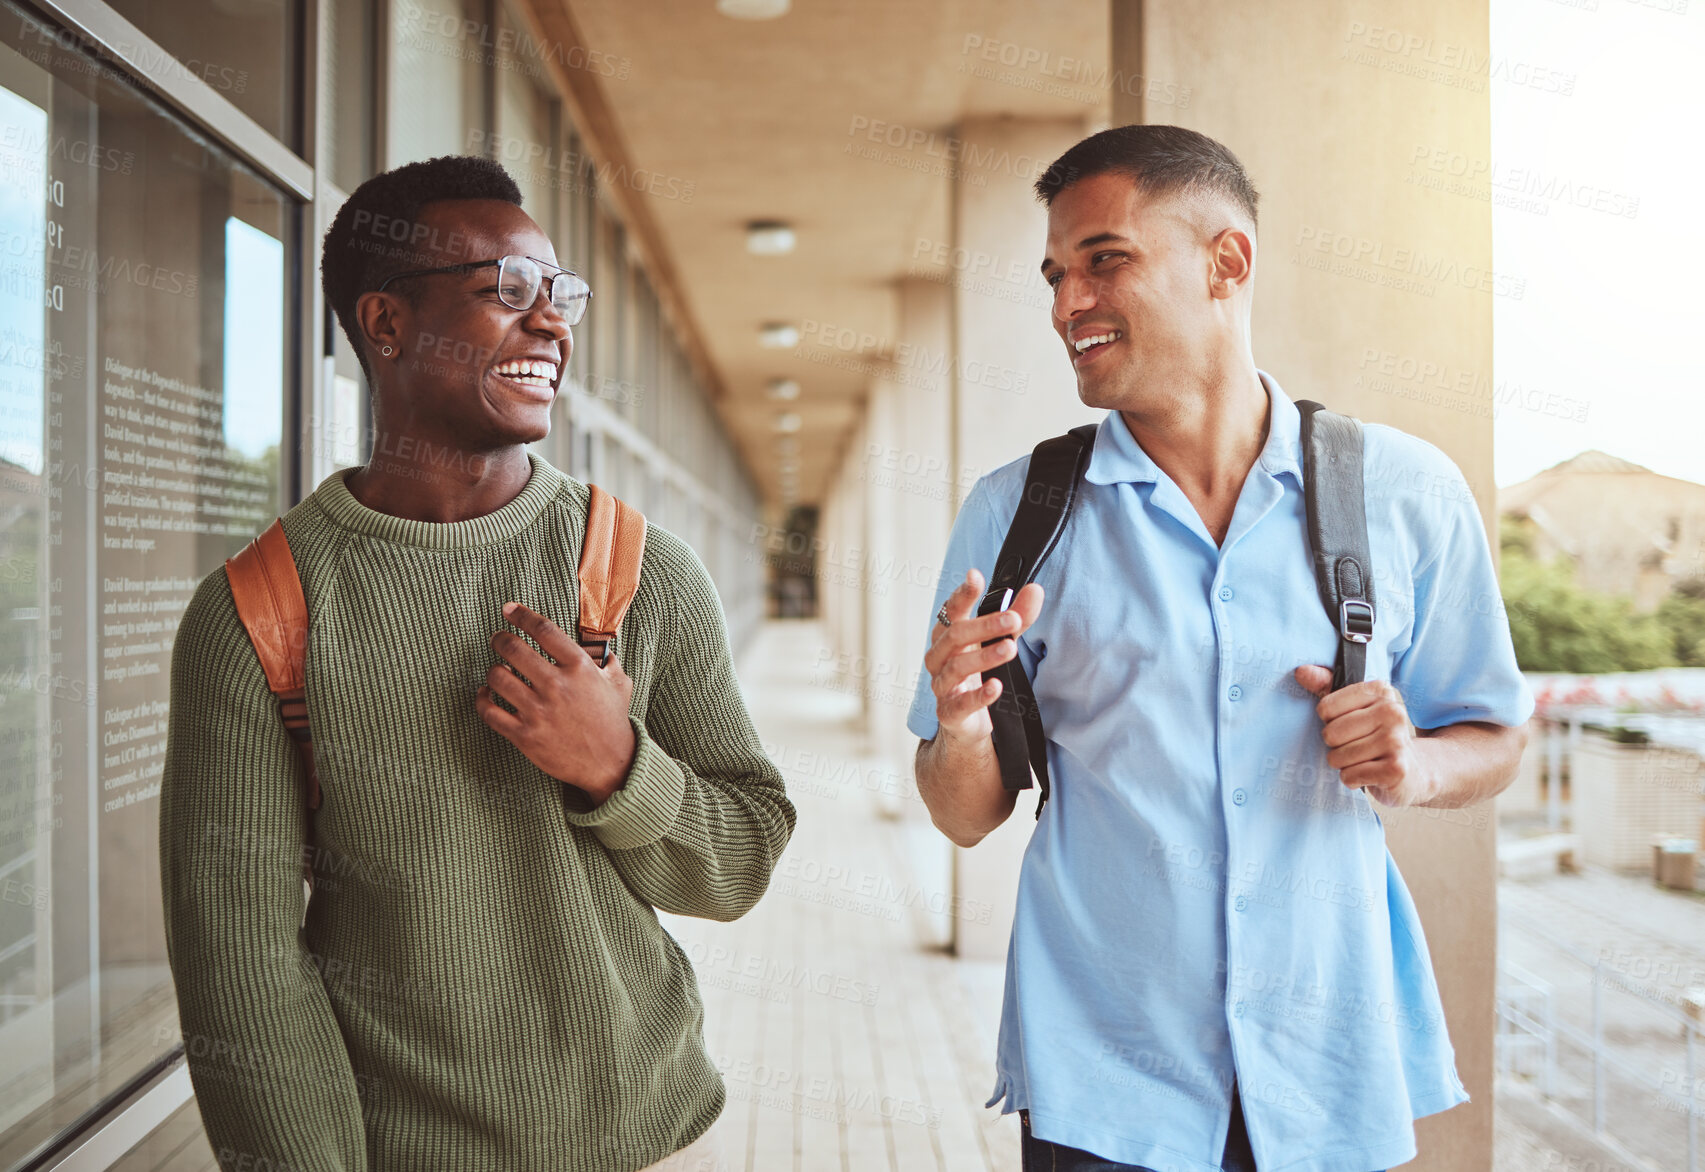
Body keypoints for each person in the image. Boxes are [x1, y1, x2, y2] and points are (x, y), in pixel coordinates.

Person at [907, 125, 1530, 1172]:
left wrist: (1416, 763)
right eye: (1056, 274)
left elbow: (1497, 734)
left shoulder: (1407, 493)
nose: (1066, 304)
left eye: (1104, 259)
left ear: (1225, 261)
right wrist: (963, 723)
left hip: (1329, 1067)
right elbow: (963, 812)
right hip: (1103, 1077)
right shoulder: (1015, 516)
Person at [159, 155, 794, 1172]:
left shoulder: (634, 571)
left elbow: (739, 862)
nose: (551, 323)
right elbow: (242, 964)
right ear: (386, 323)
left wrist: (616, 766)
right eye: (506, 290)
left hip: (650, 1134)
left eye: (559, 294)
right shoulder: (257, 611)